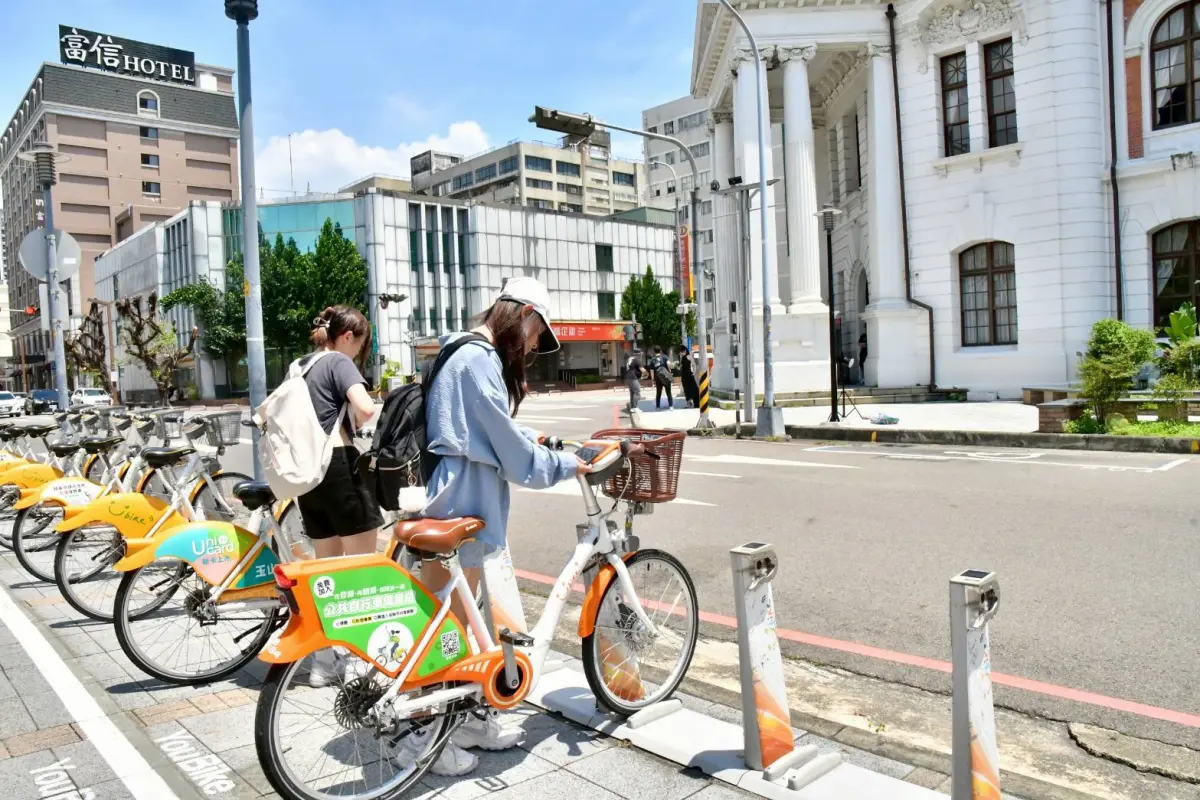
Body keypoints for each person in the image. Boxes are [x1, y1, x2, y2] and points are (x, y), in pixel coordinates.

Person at [412, 276, 590, 776]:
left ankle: (465, 720)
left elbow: (489, 429)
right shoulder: (477, 359)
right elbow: (509, 454)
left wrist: (531, 436)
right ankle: (424, 737)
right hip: (462, 496)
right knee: (443, 624)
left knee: (460, 620)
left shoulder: (465, 352)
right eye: (537, 335)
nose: (534, 345)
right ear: (526, 314)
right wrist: (562, 465)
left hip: (462, 491)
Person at [294, 306, 382, 686]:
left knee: (326, 572)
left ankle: (323, 663)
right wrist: (367, 415)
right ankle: (359, 663)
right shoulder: (338, 362)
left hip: (306, 476)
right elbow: (364, 408)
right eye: (358, 345)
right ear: (348, 337)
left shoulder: (300, 365)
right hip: (338, 467)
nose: (356, 353)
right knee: (361, 570)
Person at [651, 345, 673, 410]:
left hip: (658, 378)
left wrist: (652, 380)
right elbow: (669, 364)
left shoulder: (653, 359)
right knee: (668, 392)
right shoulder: (665, 356)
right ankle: (671, 406)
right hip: (666, 376)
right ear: (660, 350)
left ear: (654, 351)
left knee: (658, 392)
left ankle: (658, 407)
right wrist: (670, 370)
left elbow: (652, 370)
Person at [679, 343, 699, 409]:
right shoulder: (683, 357)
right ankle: (688, 403)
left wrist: (694, 372)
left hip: (689, 375)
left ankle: (696, 403)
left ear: (684, 351)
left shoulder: (688, 356)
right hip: (684, 375)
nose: (681, 353)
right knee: (686, 390)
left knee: (694, 389)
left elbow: (694, 364)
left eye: (681, 352)